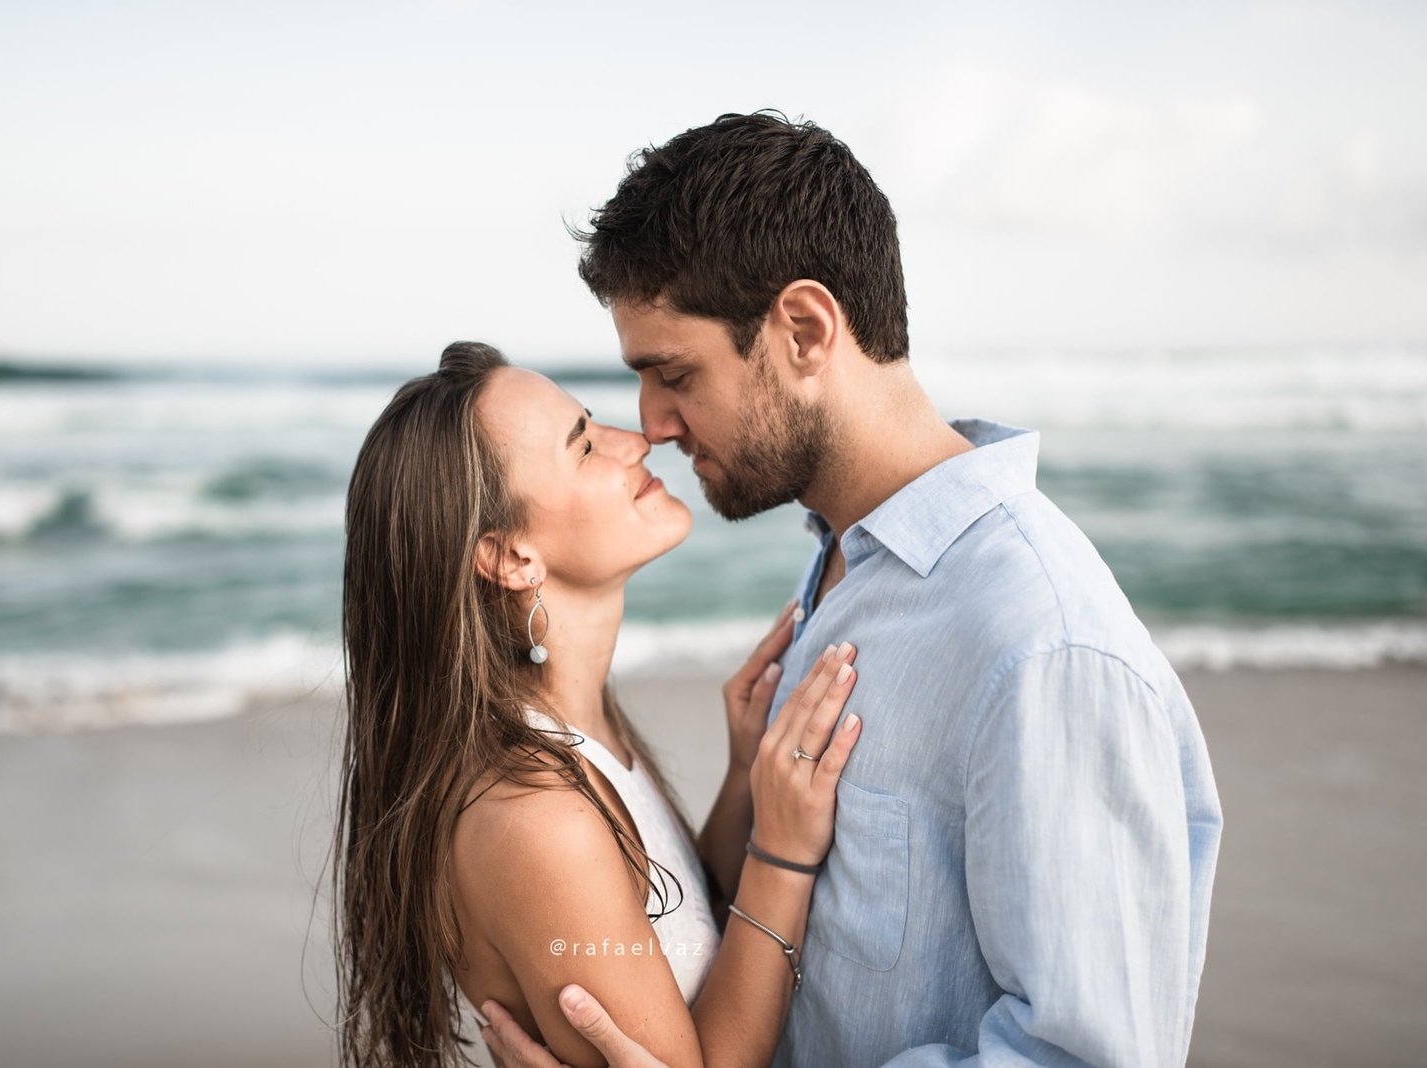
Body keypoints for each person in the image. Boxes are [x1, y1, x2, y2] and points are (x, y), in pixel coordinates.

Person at [483, 112, 1224, 1067]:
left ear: (802, 329)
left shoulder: (1041, 642)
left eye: (674, 373)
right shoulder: (849, 561)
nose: (654, 424)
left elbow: (1087, 1055)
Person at [331, 339, 871, 1068]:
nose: (636, 439)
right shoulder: (535, 813)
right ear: (512, 556)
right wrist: (782, 852)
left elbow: (673, 933)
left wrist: (745, 780)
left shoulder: (576, 729)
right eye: (583, 446)